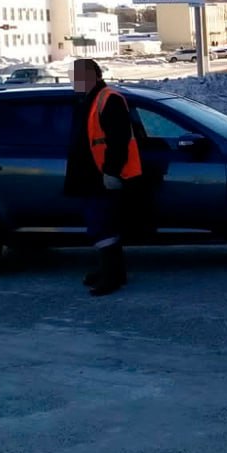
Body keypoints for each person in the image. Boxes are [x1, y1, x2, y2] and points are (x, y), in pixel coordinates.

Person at [64, 58, 142, 296]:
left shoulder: (108, 99)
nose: (77, 81)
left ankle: (112, 276)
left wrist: (110, 171)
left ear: (95, 76)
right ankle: (112, 271)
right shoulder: (86, 100)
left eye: (82, 76)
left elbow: (119, 140)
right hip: (89, 175)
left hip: (101, 175)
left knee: (102, 226)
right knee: (101, 225)